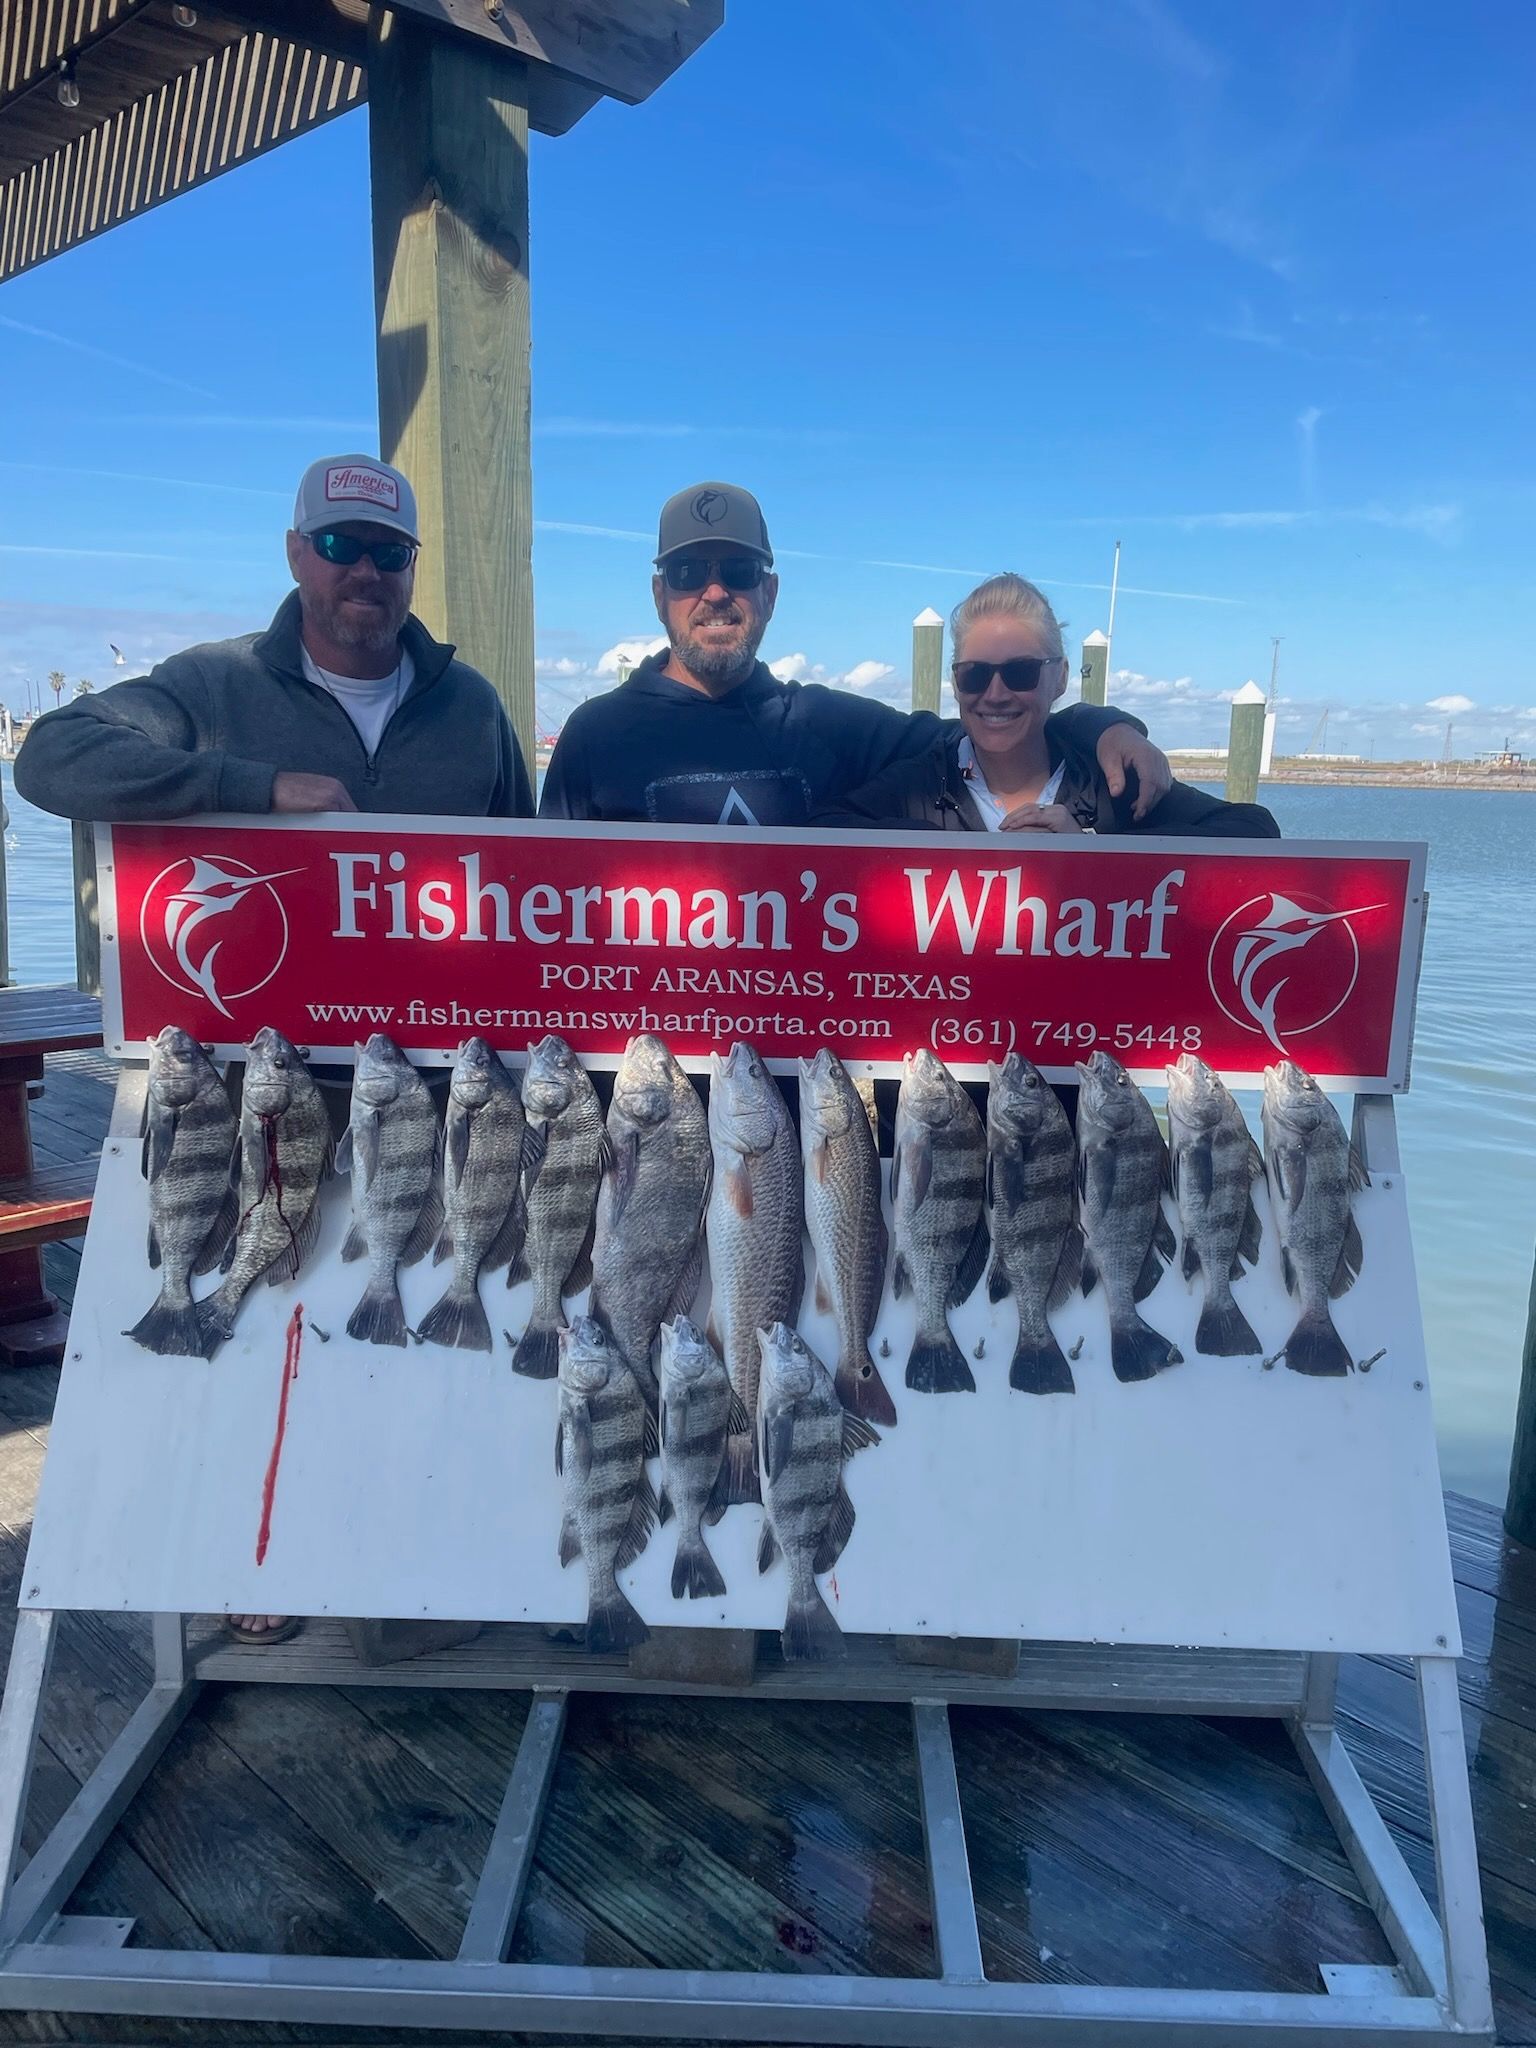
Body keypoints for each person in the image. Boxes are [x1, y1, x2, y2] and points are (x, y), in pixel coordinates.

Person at [539, 482, 1174, 825]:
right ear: (659, 595)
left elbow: (992, 722)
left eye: (737, 570)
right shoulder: (596, 733)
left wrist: (1104, 727)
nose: (713, 592)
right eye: (686, 573)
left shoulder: (829, 725)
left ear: (770, 592)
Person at [14, 455, 533, 822]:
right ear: (295, 554)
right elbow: (53, 756)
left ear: (413, 567)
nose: (367, 571)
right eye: (339, 545)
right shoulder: (214, 683)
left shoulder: (472, 704)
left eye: (391, 553)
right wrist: (259, 788)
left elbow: (534, 870)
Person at [822, 573, 1279, 838]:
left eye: (1020, 672)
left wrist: (1089, 854)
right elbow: (819, 829)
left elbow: (1252, 828)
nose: (995, 694)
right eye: (975, 674)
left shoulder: (1110, 786)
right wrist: (947, 853)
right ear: (955, 682)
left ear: (1059, 677)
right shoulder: (921, 785)